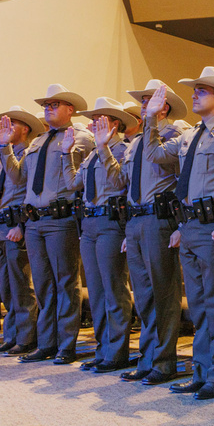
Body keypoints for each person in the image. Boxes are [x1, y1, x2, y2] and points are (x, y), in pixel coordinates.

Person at [143, 68, 214, 400]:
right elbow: (156, 155)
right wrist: (150, 122)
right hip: (188, 225)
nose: (194, 95)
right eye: (195, 90)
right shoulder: (188, 136)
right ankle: (201, 371)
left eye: (202, 91)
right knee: (199, 306)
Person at [1, 85, 94, 364]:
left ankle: (66, 345)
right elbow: (18, 179)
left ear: (70, 110)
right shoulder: (37, 142)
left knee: (65, 282)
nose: (48, 108)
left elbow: (84, 179)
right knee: (42, 284)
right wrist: (5, 146)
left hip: (61, 218)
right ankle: (46, 342)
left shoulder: (83, 138)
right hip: (34, 221)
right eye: (46, 104)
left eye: (55, 104)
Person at [118, 80, 186, 385]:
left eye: (150, 101)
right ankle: (147, 358)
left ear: (164, 106)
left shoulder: (175, 136)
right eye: (143, 101)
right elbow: (123, 182)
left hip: (159, 221)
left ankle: (164, 361)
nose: (143, 106)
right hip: (135, 222)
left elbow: (184, 185)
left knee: (163, 294)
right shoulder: (134, 143)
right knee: (143, 296)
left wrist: (182, 225)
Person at [62, 99, 136, 373]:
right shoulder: (92, 154)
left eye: (99, 119)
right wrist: (66, 154)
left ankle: (116, 352)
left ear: (114, 124)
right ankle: (103, 348)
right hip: (90, 225)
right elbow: (72, 184)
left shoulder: (122, 150)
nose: (93, 124)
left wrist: (105, 148)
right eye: (92, 120)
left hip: (111, 223)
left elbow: (120, 182)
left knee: (114, 289)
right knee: (96, 291)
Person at [0, 106, 42, 356]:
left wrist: (21, 225)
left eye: (11, 125)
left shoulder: (28, 155)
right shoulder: (0, 160)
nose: (5, 130)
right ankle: (11, 335)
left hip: (15, 225)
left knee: (21, 285)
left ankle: (27, 338)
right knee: (6, 286)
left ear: (25, 129)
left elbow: (25, 189)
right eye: (3, 126)